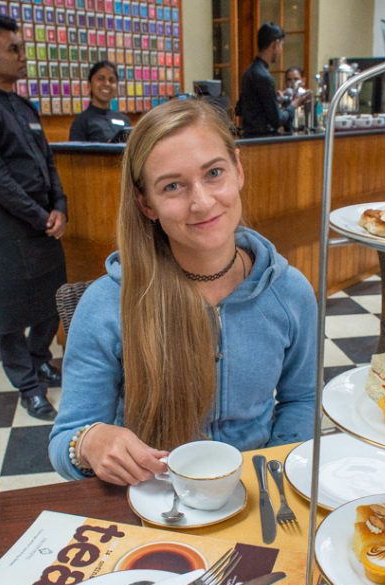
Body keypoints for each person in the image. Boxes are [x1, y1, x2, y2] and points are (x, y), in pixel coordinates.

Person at [48, 99, 317, 484]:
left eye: (214, 173)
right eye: (172, 186)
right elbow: (64, 442)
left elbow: (302, 399)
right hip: (151, 494)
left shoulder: (289, 293)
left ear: (238, 170)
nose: (202, 203)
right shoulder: (107, 305)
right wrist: (90, 442)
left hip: (256, 489)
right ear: (146, 203)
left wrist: (272, 473)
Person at [0, 14, 67, 421]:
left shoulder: (23, 106)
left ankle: (40, 360)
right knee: (12, 313)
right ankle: (28, 387)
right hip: (10, 226)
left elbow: (48, 162)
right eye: (13, 49)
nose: (22, 56)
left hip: (44, 222)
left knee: (51, 301)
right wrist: (41, 216)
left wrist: (60, 206)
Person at [236, 23, 309, 136]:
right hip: (264, 140)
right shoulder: (264, 76)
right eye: (281, 45)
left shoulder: (248, 72)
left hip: (248, 137)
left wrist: (273, 99)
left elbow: (240, 109)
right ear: (275, 44)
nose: (281, 51)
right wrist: (294, 104)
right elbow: (277, 120)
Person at [69, 60, 132, 142]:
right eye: (100, 79)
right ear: (89, 85)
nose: (107, 84)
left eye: (111, 80)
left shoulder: (125, 120)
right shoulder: (81, 122)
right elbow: (75, 150)